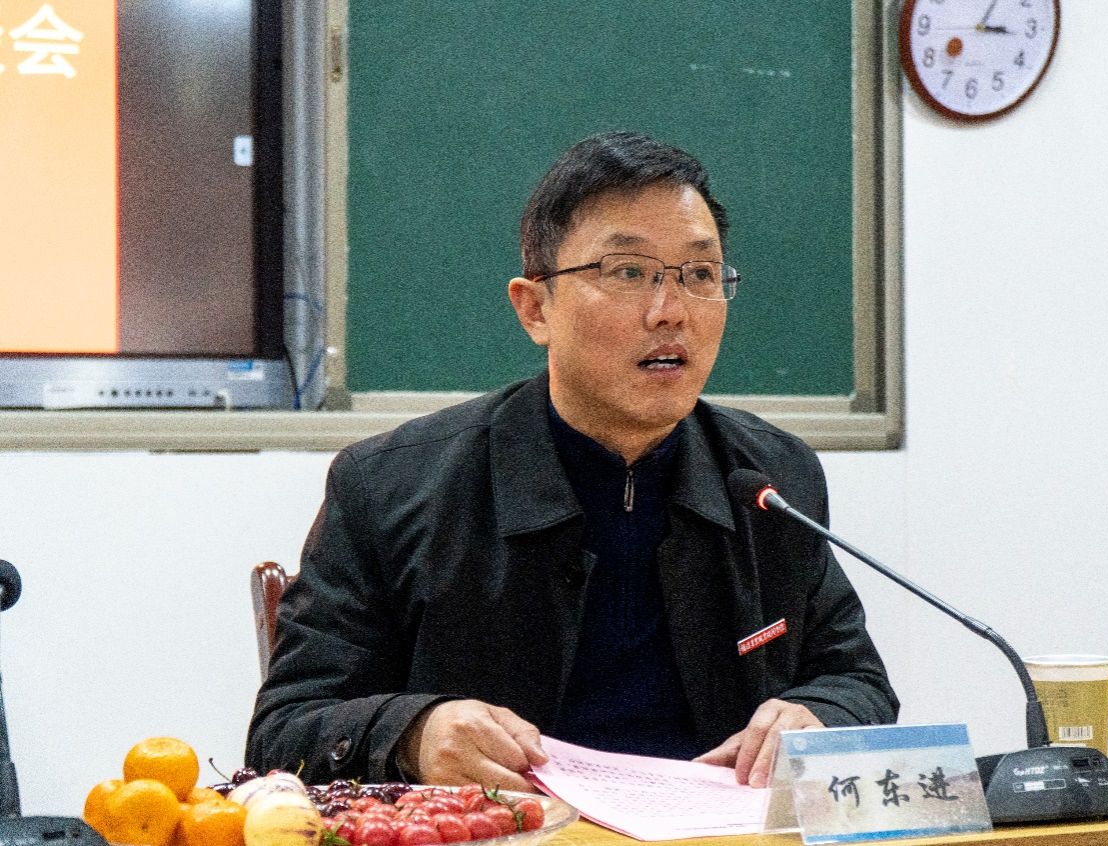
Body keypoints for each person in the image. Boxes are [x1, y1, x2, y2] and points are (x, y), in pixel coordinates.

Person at [246, 131, 897, 791]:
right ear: (535, 309)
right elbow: (284, 729)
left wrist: (819, 715)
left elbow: (857, 681)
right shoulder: (389, 488)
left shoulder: (771, 480)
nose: (671, 312)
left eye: (700, 274)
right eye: (628, 273)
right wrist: (413, 735)